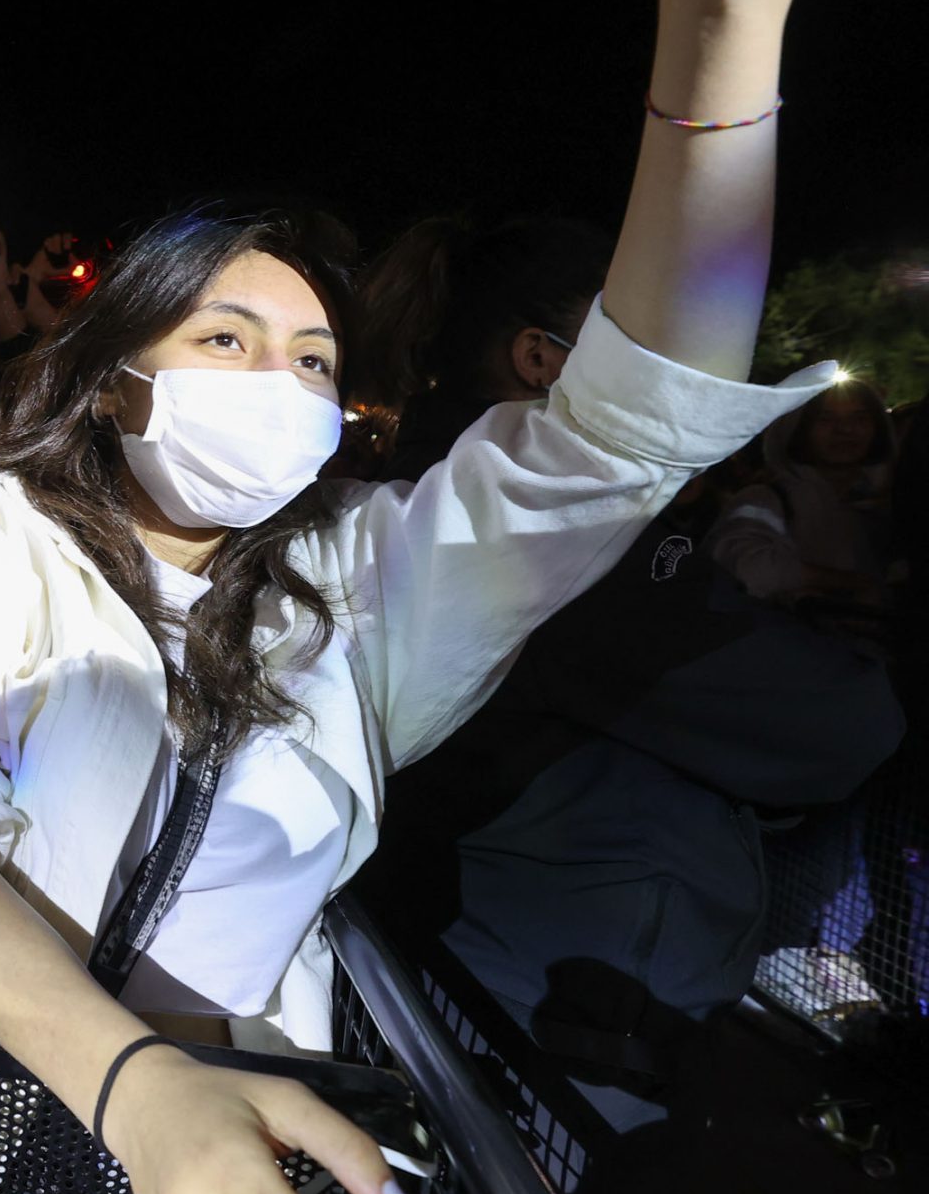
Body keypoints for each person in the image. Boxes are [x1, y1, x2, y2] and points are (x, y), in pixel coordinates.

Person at [0, 0, 925, 1194]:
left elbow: (633, 414)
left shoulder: (362, 593)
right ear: (119, 378)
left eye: (317, 360)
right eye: (227, 340)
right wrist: (140, 1094)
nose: (281, 382)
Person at [359, 213, 904, 1131]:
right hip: (556, 1032)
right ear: (544, 359)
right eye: (648, 352)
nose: (679, 378)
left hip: (499, 981)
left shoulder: (435, 491)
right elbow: (843, 723)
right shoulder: (560, 539)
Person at [709, 378, 896, 622]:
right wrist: (848, 582)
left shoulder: (885, 503)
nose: (845, 430)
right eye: (826, 419)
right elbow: (746, 568)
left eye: (859, 418)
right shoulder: (765, 499)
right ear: (798, 429)